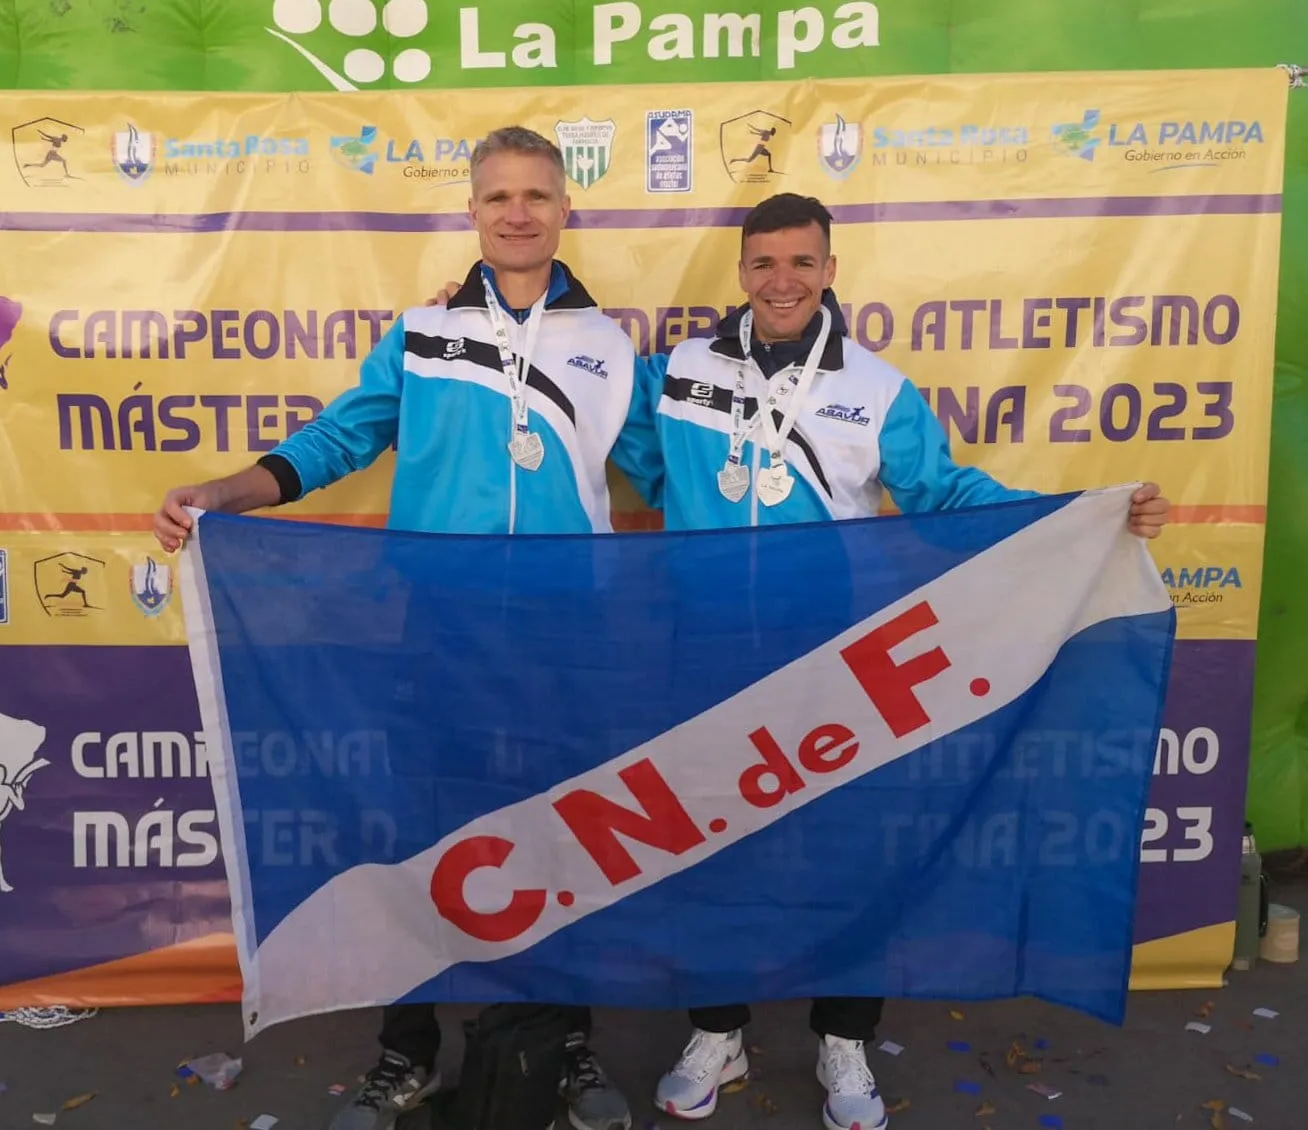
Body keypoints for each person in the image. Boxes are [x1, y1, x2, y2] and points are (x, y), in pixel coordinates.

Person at [429, 191, 1172, 1130]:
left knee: (847, 854)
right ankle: (718, 1031)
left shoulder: (876, 389)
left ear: (830, 270)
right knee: (706, 850)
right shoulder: (679, 370)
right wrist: (475, 321)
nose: (782, 281)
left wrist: (1084, 515)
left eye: (801, 262)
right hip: (702, 658)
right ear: (742, 271)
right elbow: (596, 417)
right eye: (765, 262)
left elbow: (945, 493)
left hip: (836, 664)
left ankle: (845, 1040)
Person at [153, 126, 656, 1130]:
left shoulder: (612, 346)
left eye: (536, 195)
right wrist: (223, 492)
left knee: (563, 841)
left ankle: (560, 1045)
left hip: (564, 633)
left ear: (566, 208)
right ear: (472, 211)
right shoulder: (422, 337)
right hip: (438, 629)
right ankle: (405, 1052)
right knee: (419, 840)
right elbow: (340, 438)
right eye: (498, 196)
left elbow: (671, 470)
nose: (518, 213)